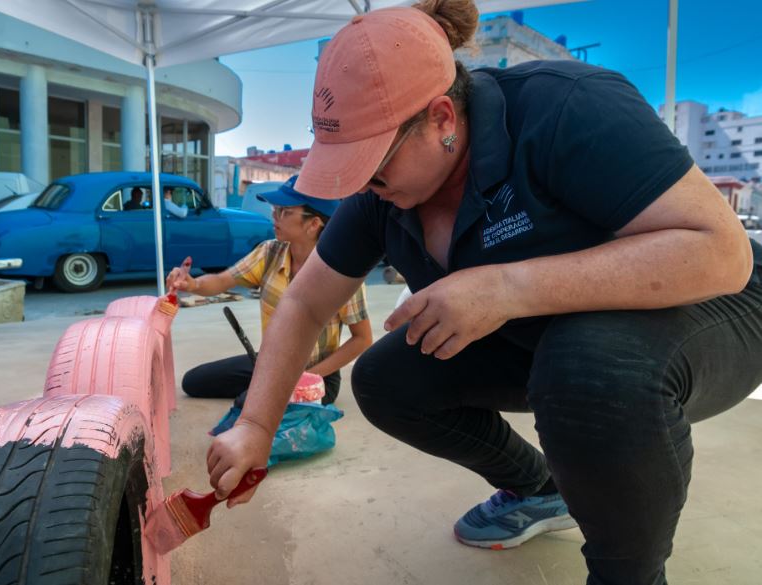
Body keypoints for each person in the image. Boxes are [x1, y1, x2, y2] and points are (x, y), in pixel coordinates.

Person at [202, 2, 762, 584]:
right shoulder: (382, 196)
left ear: (442, 117)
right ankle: (540, 489)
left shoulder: (567, 106)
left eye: (372, 167)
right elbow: (305, 301)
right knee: (387, 378)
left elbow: (721, 252)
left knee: (590, 366)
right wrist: (257, 426)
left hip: (711, 311)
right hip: (554, 337)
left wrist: (508, 286)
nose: (362, 188)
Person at [167, 175, 372, 406]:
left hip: (317, 374)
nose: (274, 217)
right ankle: (263, 387)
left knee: (247, 405)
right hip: (270, 364)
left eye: (284, 212)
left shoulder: (341, 270)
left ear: (314, 224)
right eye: (275, 210)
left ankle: (265, 392)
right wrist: (192, 284)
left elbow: (362, 339)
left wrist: (309, 377)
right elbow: (223, 280)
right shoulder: (270, 252)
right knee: (194, 382)